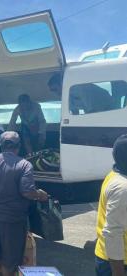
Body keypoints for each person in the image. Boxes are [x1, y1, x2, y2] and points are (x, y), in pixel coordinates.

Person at [0, 131, 48, 276]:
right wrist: (41, 195)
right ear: (19, 146)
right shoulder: (24, 165)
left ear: (1, 145)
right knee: (10, 260)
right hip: (12, 220)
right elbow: (27, 192)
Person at [94, 134, 127, 276]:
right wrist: (118, 273)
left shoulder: (114, 174)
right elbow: (113, 232)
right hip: (117, 263)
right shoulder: (123, 188)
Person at [48, 73, 114, 115]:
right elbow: (74, 112)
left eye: (55, 89)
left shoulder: (80, 88)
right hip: (96, 112)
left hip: (109, 109)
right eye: (52, 90)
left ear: (62, 84)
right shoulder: (67, 94)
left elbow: (90, 111)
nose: (55, 93)